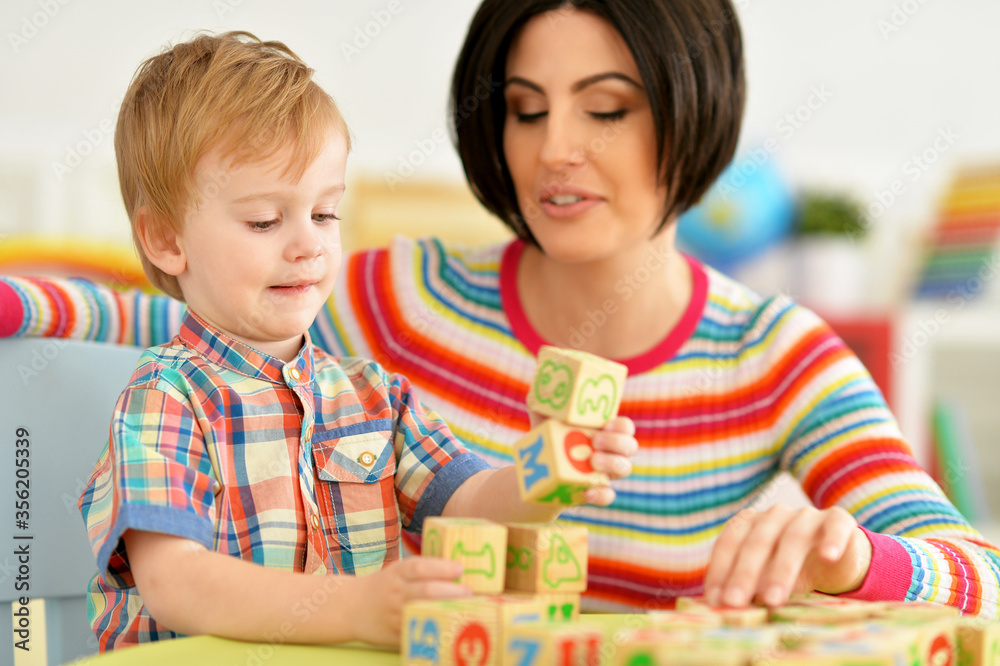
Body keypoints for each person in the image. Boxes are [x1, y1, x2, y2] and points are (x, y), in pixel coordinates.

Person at [2, 0, 997, 617]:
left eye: (605, 108)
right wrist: (17, 303)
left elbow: (977, 569)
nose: (553, 146)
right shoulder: (403, 299)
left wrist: (856, 558)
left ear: (696, 108)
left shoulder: (777, 356)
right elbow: (170, 320)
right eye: (524, 108)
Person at [67, 31, 637, 651]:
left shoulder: (373, 397)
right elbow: (176, 580)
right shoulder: (164, 398)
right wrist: (355, 608)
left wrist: (546, 473)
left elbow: (469, 502)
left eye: (325, 214)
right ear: (165, 240)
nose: (308, 244)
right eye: (264, 220)